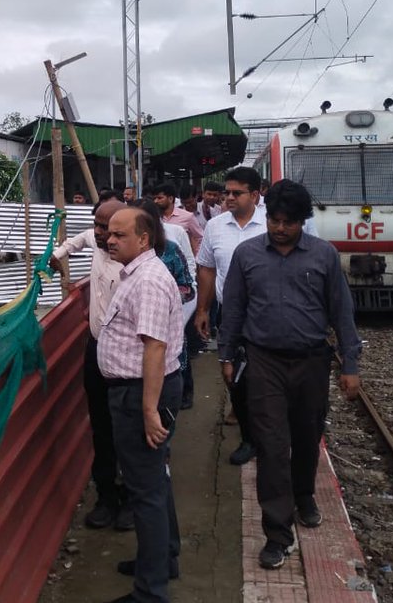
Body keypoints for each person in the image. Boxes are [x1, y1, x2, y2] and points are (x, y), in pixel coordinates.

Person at [217, 180, 361, 571]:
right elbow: (232, 310)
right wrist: (226, 356)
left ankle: (304, 495)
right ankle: (277, 534)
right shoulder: (247, 256)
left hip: (312, 362)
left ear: (303, 221)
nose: (280, 228)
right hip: (264, 362)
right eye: (275, 220)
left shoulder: (324, 256)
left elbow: (341, 312)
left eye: (289, 222)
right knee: (272, 447)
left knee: (306, 435)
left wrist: (350, 364)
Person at [96, 206, 184, 603]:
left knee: (145, 491)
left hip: (140, 395)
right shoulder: (138, 272)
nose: (110, 240)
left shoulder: (147, 280)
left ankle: (151, 595)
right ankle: (162, 560)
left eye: (119, 235)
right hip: (140, 392)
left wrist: (149, 409)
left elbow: (155, 347)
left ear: (144, 240)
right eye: (109, 234)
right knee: (156, 481)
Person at [49, 199, 130, 530]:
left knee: (129, 431)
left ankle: (132, 500)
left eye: (107, 229)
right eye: (97, 225)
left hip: (129, 359)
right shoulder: (97, 242)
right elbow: (75, 241)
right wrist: (57, 256)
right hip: (97, 351)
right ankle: (107, 497)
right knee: (101, 426)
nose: (99, 234)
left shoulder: (136, 266)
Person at [193, 167, 265, 466]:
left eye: (237, 193)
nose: (229, 198)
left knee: (267, 378)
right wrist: (203, 309)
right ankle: (250, 438)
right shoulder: (216, 226)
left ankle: (270, 435)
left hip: (267, 316)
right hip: (231, 317)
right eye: (227, 192)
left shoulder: (270, 224)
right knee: (234, 377)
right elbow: (207, 268)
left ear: (255, 195)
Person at [139, 200, 195, 411]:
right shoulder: (127, 251)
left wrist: (166, 301)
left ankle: (183, 393)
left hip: (169, 322)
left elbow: (187, 287)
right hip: (138, 330)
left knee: (175, 360)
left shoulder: (170, 250)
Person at [152, 182, 203, 257]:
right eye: (154, 198)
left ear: (170, 199)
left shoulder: (188, 217)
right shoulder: (154, 217)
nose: (155, 201)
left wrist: (197, 258)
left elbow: (200, 238)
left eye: (159, 198)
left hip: (182, 263)